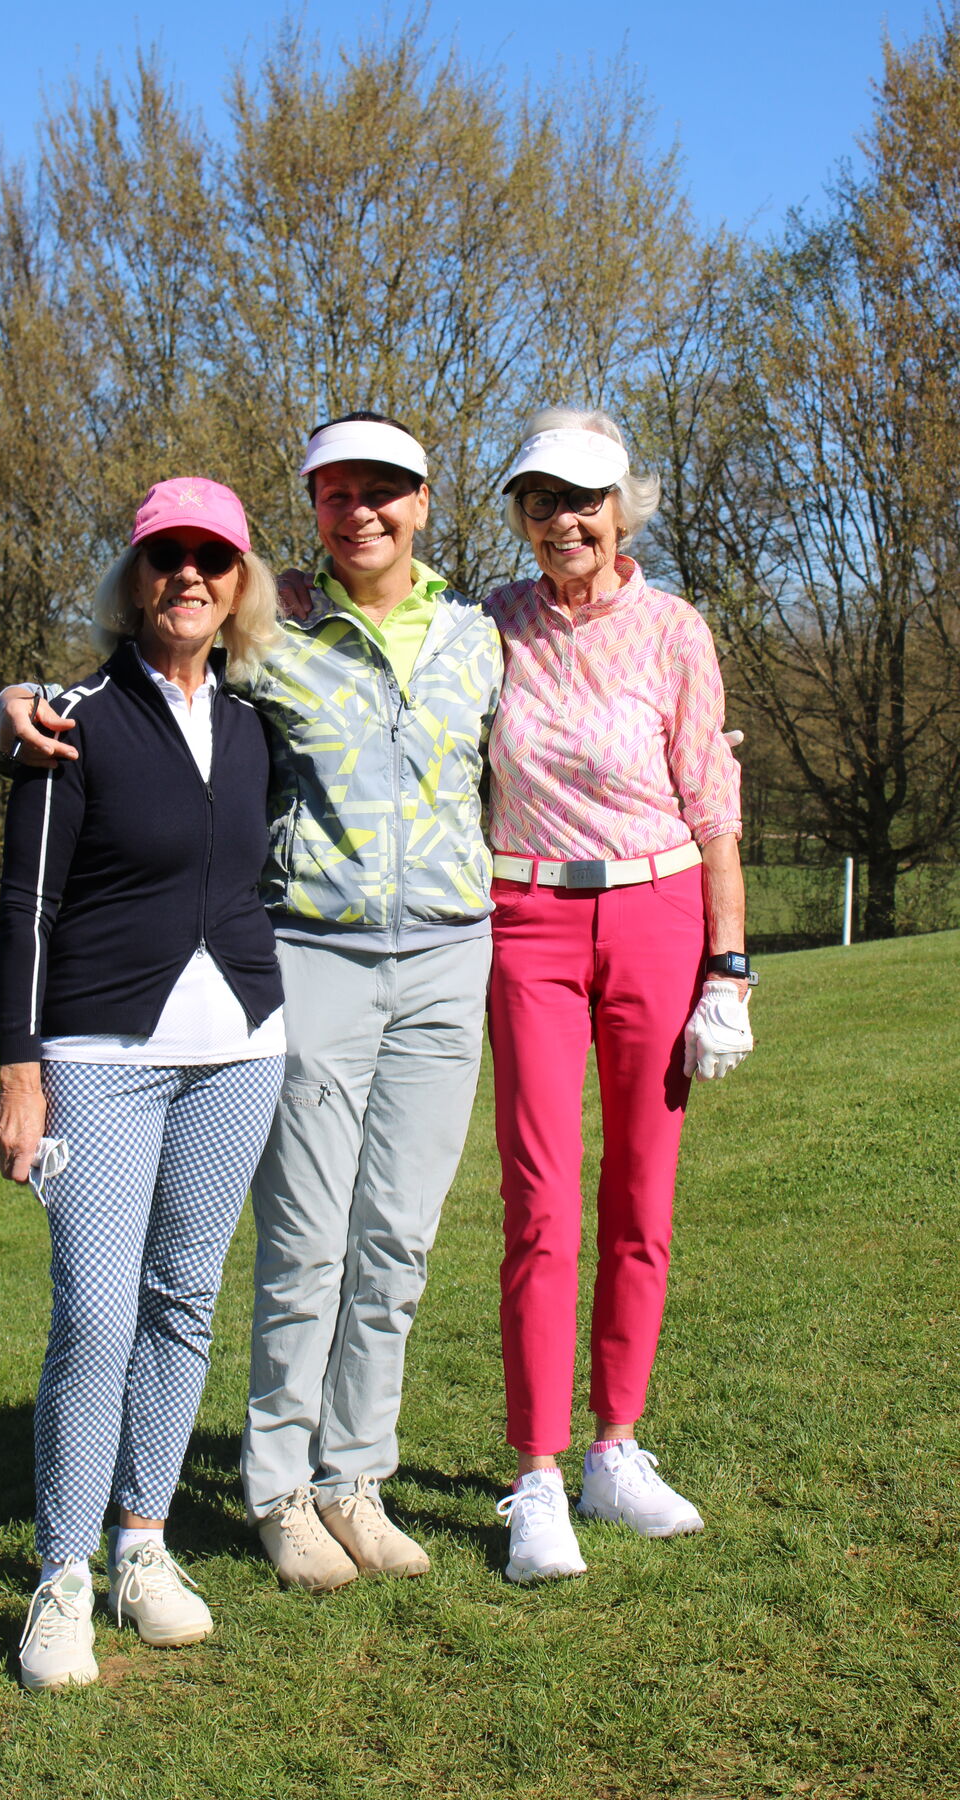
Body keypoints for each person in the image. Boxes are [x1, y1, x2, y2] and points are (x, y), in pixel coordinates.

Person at [0, 416, 504, 1595]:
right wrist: (18, 699)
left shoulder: (481, 635)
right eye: (337, 492)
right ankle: (277, 1493)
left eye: (384, 489)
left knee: (398, 1240)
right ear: (313, 511)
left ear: (423, 503)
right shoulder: (272, 644)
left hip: (443, 960)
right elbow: (124, 695)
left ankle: (354, 1477)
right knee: (304, 1244)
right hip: (311, 961)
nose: (361, 510)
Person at [0, 477, 285, 1688]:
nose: (189, 576)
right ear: (135, 575)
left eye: (213, 558)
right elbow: (27, 904)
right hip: (98, 1059)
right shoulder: (71, 719)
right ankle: (62, 1575)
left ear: (240, 582)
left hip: (240, 1050)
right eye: (168, 556)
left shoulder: (261, 723)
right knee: (97, 1314)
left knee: (181, 1301)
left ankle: (144, 1547)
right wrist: (20, 1073)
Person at [485, 409, 754, 1583]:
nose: (565, 522)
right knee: (541, 1200)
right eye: (543, 501)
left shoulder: (675, 629)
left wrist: (728, 965)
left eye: (584, 501)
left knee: (644, 1193)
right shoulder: (489, 623)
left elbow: (713, 804)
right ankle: (539, 1474)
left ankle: (615, 1448)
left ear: (621, 509)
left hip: (659, 914)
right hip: (527, 918)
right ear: (522, 516)